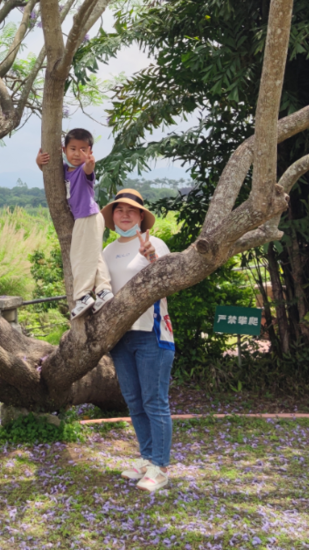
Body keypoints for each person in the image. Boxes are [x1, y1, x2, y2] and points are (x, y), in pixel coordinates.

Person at [100, 188, 174, 494]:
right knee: (133, 400)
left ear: (141, 216)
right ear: (113, 216)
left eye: (132, 210)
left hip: (151, 334)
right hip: (120, 337)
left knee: (154, 401)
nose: (125, 215)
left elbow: (170, 279)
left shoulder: (154, 244)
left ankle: (161, 466)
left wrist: (153, 259)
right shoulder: (106, 251)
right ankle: (146, 458)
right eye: (119, 210)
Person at [35, 129, 113, 319]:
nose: (77, 154)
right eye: (73, 149)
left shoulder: (83, 169)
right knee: (95, 256)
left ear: (90, 151)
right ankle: (104, 291)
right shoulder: (64, 169)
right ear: (64, 150)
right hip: (90, 217)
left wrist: (90, 164)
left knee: (79, 257)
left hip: (88, 217)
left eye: (83, 149)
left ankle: (83, 296)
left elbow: (88, 170)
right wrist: (39, 163)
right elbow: (49, 172)